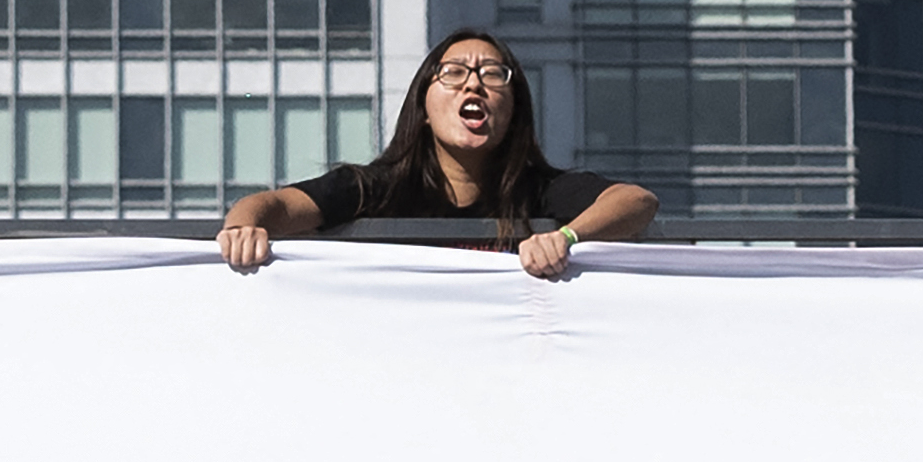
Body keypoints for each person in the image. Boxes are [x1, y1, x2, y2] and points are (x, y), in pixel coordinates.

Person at [215, 31, 654, 280]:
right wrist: (243, 229)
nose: (474, 85)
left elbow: (635, 202)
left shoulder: (539, 191)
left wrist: (565, 239)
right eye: (455, 73)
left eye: (493, 75)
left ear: (514, 109)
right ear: (423, 108)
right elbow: (270, 206)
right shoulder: (375, 189)